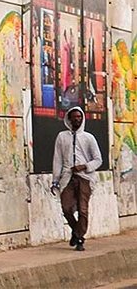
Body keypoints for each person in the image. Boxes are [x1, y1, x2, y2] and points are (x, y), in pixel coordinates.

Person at [51, 106, 102, 251]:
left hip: (85, 178)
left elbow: (98, 160)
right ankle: (76, 231)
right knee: (66, 208)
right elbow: (58, 159)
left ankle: (79, 238)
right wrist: (55, 180)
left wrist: (84, 166)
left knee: (83, 210)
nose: (77, 119)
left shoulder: (88, 138)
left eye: (79, 117)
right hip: (67, 177)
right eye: (74, 117)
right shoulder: (62, 137)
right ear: (69, 119)